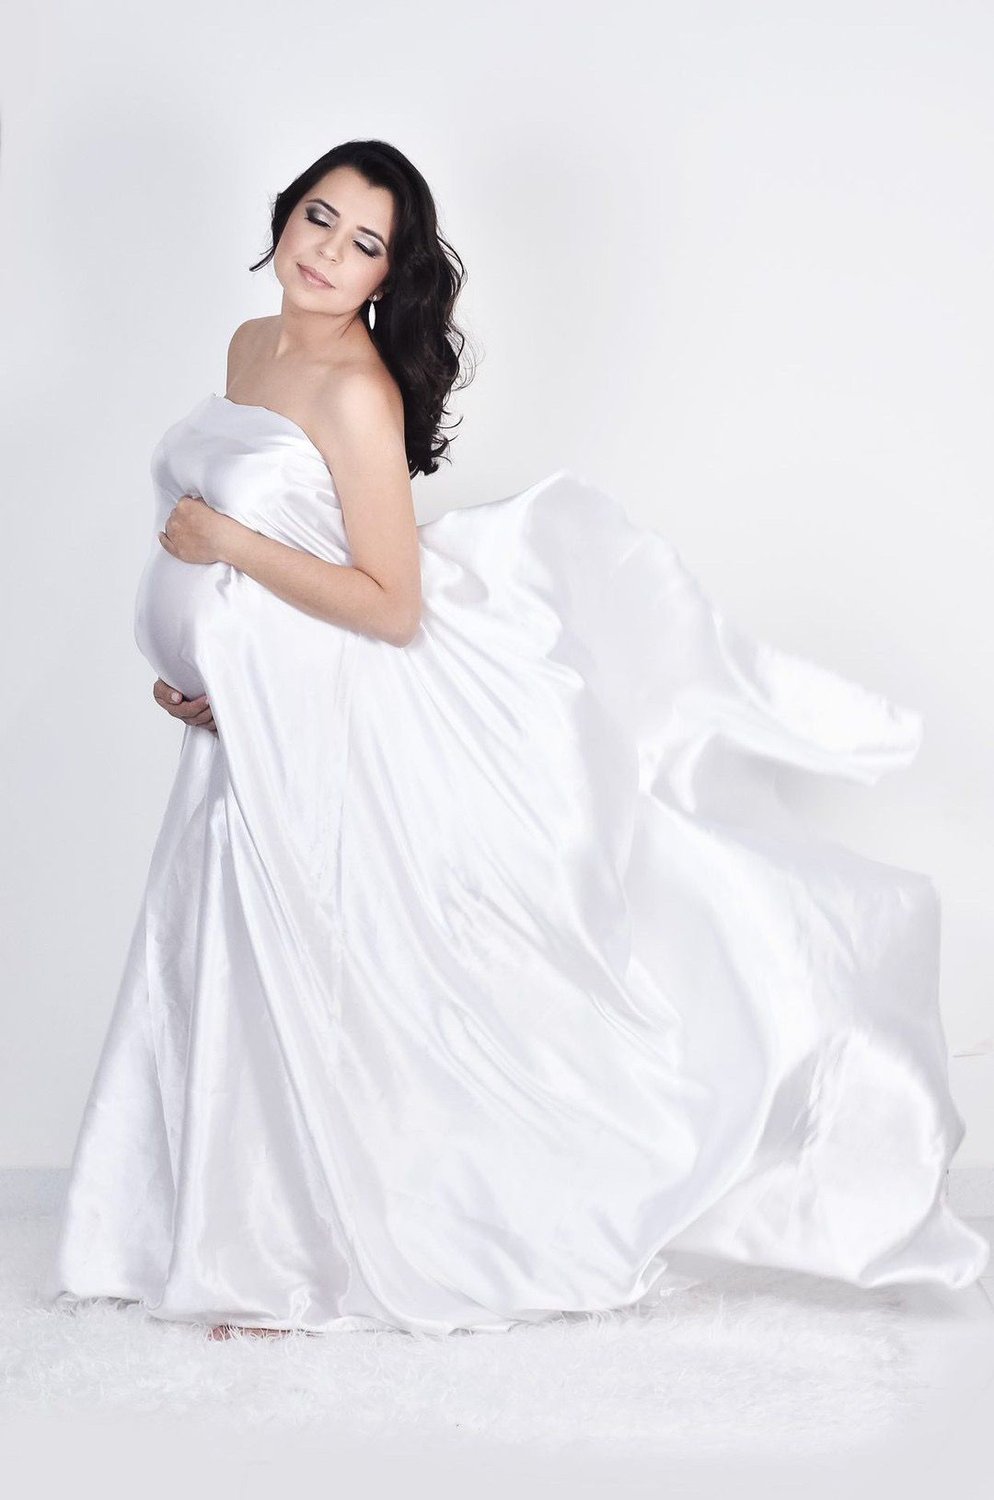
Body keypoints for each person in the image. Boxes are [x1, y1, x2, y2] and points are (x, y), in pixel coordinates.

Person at [42, 139, 989, 1342]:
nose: (328, 254)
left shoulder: (357, 391)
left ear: (385, 275)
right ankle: (200, 1228)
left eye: (363, 244)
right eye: (319, 218)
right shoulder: (250, 344)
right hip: (251, 711)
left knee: (303, 955)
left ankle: (282, 1259)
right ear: (284, 215)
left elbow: (390, 601)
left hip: (328, 712)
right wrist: (209, 670)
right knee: (218, 951)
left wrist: (226, 553)